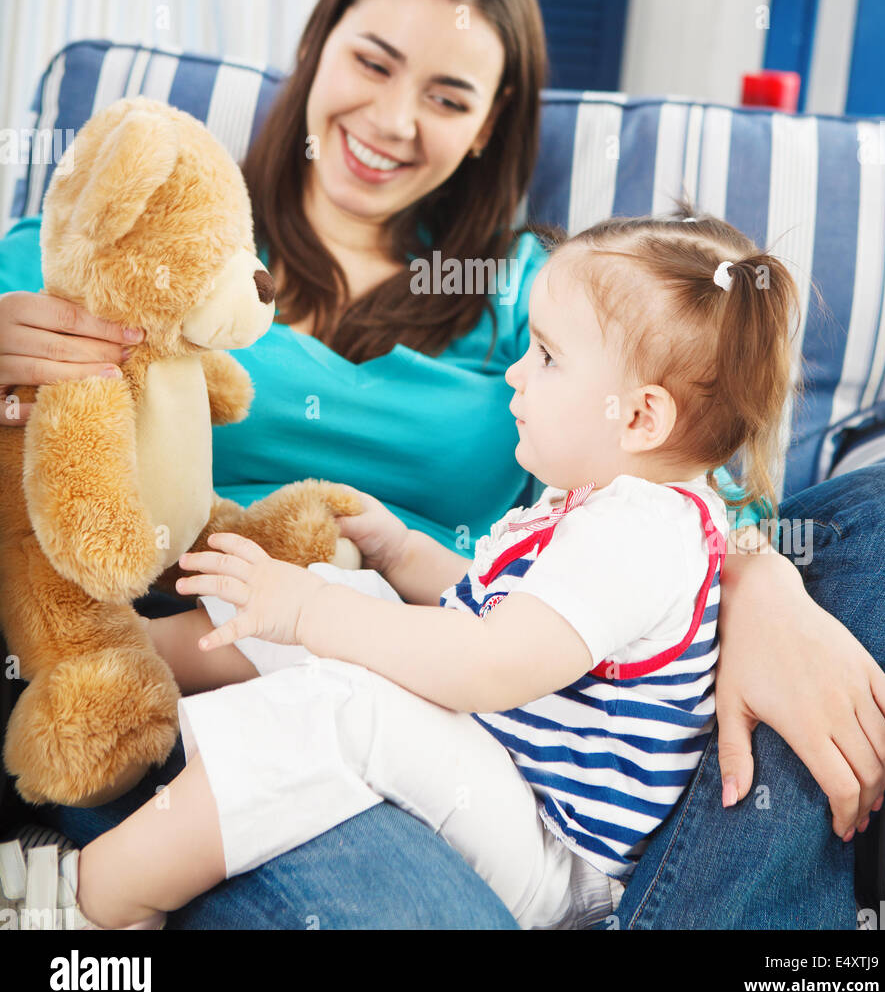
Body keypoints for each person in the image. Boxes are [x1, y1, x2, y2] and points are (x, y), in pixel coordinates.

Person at [0, 0, 885, 930]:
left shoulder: (549, 288)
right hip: (210, 657)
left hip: (465, 693)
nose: (395, 120)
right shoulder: (138, 238)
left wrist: (761, 585)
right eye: (373, 61)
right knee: (324, 748)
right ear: (317, 45)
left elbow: (683, 485)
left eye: (447, 97)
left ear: (488, 124)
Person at [69, 209, 799, 932]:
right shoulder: (603, 497)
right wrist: (397, 553)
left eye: (546, 357)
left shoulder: (640, 534)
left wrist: (307, 613)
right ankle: (120, 658)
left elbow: (485, 664)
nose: (516, 372)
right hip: (506, 777)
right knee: (346, 590)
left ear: (639, 419)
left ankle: (102, 895)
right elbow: (487, 609)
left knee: (350, 707)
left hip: (553, 851)